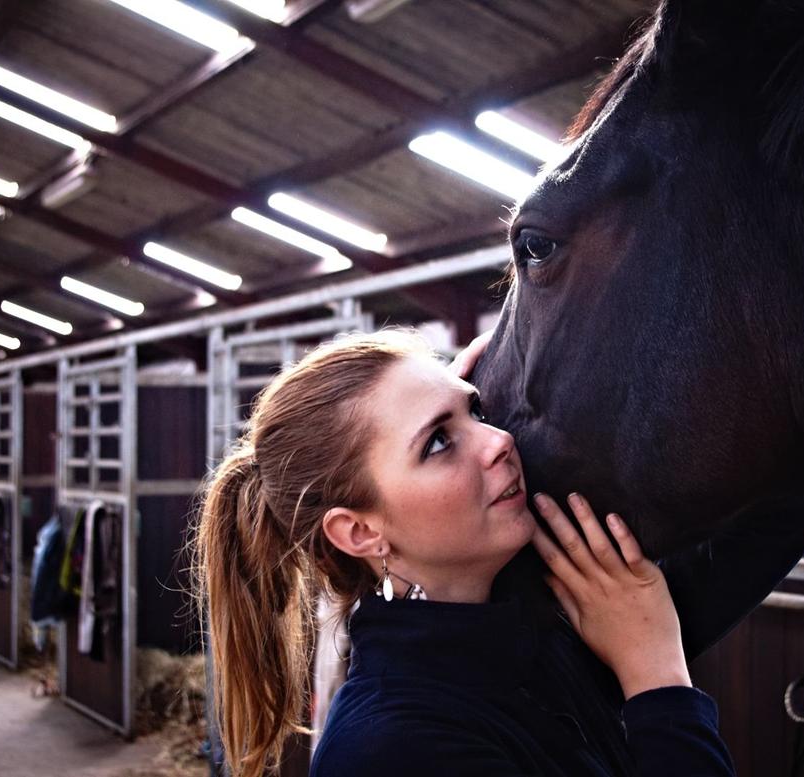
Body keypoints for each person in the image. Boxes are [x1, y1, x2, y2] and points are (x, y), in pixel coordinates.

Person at [194, 329, 734, 777]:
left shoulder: (536, 626)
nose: (498, 439)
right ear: (359, 533)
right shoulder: (390, 752)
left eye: (475, 409)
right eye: (438, 443)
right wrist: (656, 675)